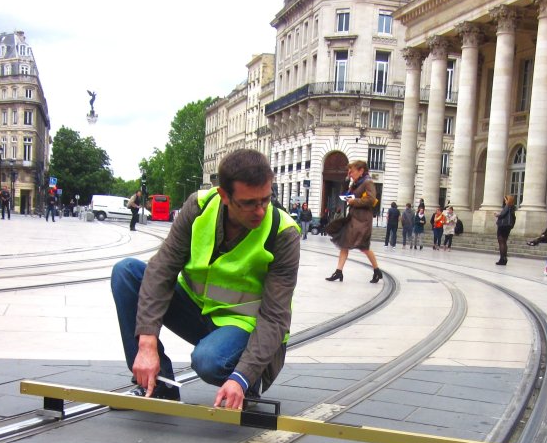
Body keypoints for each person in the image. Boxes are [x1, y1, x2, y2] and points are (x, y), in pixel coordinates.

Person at [110, 148, 300, 408]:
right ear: (224, 196)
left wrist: (242, 377)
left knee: (209, 360)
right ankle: (157, 386)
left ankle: (245, 384)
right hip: (198, 310)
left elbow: (275, 317)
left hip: (246, 329)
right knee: (127, 273)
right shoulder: (199, 207)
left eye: (266, 200)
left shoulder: (283, 233)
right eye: (248, 203)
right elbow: (162, 269)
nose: (260, 210)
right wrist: (146, 340)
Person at [326, 159, 383, 283]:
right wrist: (347, 181)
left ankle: (377, 270)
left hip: (362, 220)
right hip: (353, 218)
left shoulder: (368, 183)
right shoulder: (356, 183)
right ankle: (339, 272)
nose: (350, 174)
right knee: (344, 244)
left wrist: (354, 201)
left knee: (364, 247)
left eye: (351, 172)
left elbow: (371, 199)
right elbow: (345, 193)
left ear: (361, 170)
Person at [496, 194, 516, 265]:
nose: (504, 201)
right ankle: (504, 258)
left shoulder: (507, 206)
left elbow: (502, 215)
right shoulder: (513, 208)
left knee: (501, 242)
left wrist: (497, 215)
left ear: (508, 200)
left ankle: (502, 259)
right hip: (508, 226)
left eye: (505, 200)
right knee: (504, 242)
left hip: (502, 226)